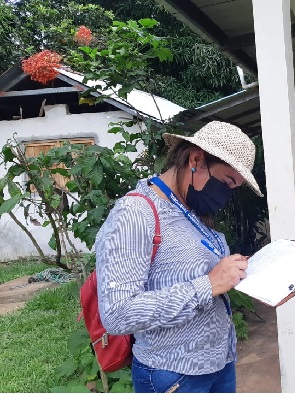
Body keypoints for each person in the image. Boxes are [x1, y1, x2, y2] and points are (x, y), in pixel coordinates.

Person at [95, 120, 264, 393]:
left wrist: (232, 270)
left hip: (218, 364)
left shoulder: (190, 209)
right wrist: (207, 285)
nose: (226, 196)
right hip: (174, 374)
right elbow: (118, 314)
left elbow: (199, 272)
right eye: (226, 182)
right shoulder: (135, 214)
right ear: (196, 159)